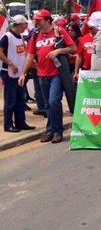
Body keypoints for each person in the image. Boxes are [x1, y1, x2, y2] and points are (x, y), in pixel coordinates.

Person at [18, 9, 76, 143]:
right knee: (47, 105)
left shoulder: (59, 31)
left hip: (56, 74)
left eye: (40, 20)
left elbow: (73, 48)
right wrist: (23, 74)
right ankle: (50, 130)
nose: (37, 22)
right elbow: (30, 55)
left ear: (47, 19)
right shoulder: (35, 34)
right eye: (36, 20)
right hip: (41, 74)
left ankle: (58, 131)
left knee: (54, 101)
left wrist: (59, 50)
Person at [0, 15, 35, 133]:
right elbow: (0, 53)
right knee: (10, 101)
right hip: (10, 74)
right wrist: (10, 64)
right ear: (20, 25)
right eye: (25, 24)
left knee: (20, 100)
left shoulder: (20, 37)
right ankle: (8, 124)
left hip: (20, 75)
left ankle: (20, 122)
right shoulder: (7, 37)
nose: (26, 26)